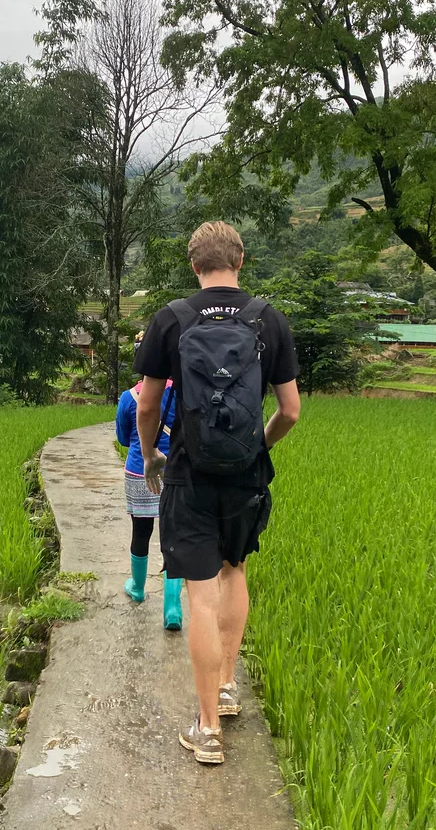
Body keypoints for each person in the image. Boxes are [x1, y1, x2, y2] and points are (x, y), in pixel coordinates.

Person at [133, 221, 300, 766]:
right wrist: (258, 448)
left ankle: (207, 730)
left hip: (189, 473)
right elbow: (291, 411)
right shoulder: (268, 320)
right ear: (241, 259)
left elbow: (147, 405)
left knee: (199, 593)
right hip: (246, 478)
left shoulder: (172, 319)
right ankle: (227, 689)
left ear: (193, 265)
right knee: (236, 572)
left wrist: (154, 452)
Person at [115, 346, 182, 629]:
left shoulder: (129, 398)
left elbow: (122, 438)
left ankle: (138, 588)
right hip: (176, 471)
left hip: (140, 471)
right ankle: (173, 609)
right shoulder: (180, 393)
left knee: (140, 532)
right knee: (175, 536)